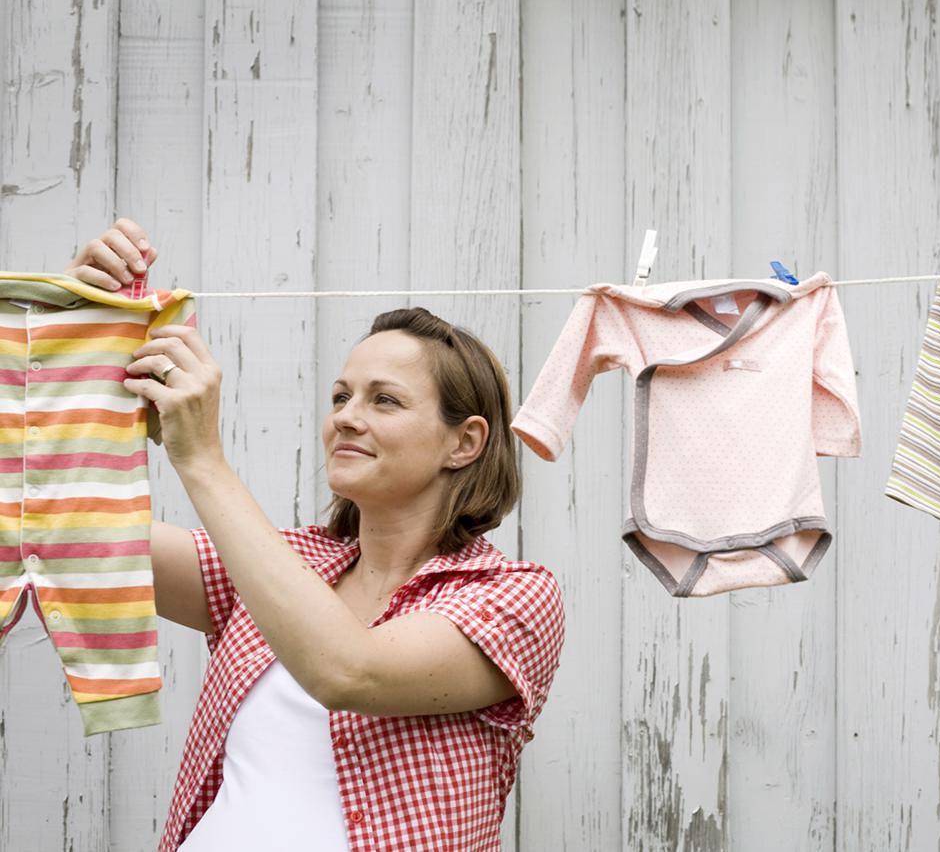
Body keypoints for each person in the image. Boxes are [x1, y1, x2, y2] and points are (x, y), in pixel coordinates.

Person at [65, 219, 566, 851]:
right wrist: (86, 341)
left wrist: (201, 458)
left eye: (384, 401)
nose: (347, 419)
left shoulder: (512, 597)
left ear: (464, 442)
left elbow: (349, 672)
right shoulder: (284, 561)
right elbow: (73, 527)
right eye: (340, 397)